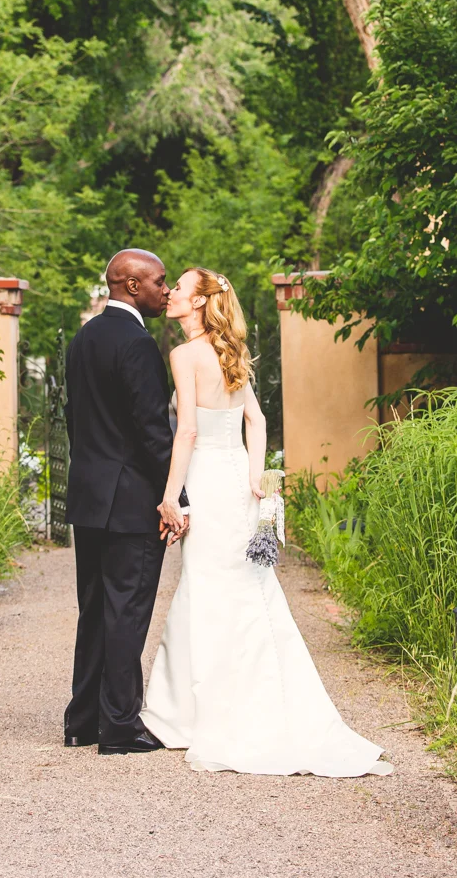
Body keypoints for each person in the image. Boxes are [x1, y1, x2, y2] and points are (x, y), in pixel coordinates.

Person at [141, 267, 393, 778]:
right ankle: (247, 703)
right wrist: (256, 478)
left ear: (198, 302)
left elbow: (186, 432)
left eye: (180, 289)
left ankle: (188, 716)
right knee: (247, 588)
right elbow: (255, 421)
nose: (170, 295)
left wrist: (170, 496)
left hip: (207, 479)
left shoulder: (185, 355)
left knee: (206, 587)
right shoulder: (230, 350)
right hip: (237, 479)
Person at [63, 248, 187, 755]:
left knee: (94, 609)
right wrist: (176, 497)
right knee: (126, 611)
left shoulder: (84, 337)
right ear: (133, 286)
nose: (165, 290)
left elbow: (75, 419)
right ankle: (119, 726)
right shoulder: (137, 343)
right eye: (160, 281)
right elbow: (153, 430)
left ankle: (82, 720)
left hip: (90, 497)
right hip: (131, 501)